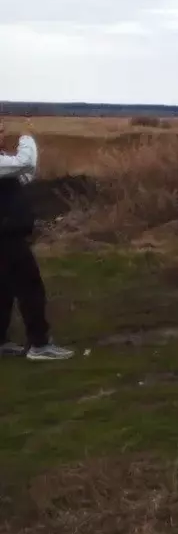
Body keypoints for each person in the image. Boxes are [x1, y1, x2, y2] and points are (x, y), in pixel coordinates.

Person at [0, 120, 73, 360]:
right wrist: (27, 137)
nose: (3, 134)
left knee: (4, 289)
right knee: (30, 287)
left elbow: (24, 175)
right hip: (7, 238)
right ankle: (39, 344)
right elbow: (24, 163)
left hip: (8, 234)